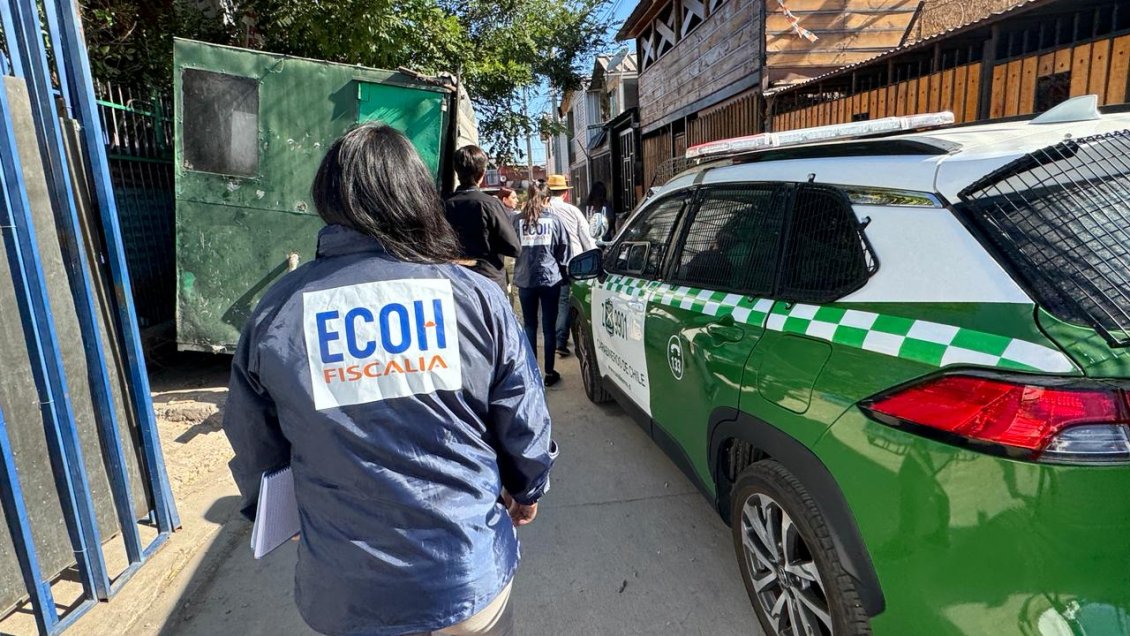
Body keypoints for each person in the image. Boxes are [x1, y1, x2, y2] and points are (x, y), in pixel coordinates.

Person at [222, 123, 556, 636]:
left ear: (328, 200)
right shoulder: (475, 298)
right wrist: (526, 489)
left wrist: (283, 517)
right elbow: (524, 423)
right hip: (464, 579)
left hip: (345, 591)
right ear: (416, 196)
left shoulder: (278, 311)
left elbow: (256, 447)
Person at [512, 182, 570, 387]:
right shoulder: (554, 220)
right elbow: (564, 250)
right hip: (550, 279)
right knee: (548, 328)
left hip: (525, 279)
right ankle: (549, 372)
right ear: (546, 199)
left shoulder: (517, 220)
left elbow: (511, 247)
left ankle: (532, 372)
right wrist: (564, 275)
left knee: (529, 325)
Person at [443, 145, 522, 292]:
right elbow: (514, 248)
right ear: (482, 173)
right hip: (488, 282)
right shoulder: (490, 204)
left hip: (454, 281)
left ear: (457, 171)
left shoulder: (442, 205)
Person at [545, 174, 595, 358]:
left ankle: (555, 339)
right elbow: (586, 238)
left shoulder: (543, 210)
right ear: (565, 193)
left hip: (548, 263)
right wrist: (594, 256)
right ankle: (561, 340)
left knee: (553, 303)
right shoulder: (572, 211)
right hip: (571, 262)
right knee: (566, 301)